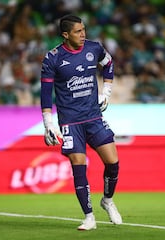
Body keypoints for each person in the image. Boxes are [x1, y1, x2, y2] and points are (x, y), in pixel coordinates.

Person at [40, 14, 122, 231]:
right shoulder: (53, 58)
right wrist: (48, 122)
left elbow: (109, 64)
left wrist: (106, 91)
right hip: (70, 122)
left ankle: (107, 200)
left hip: (94, 117)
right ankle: (89, 217)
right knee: (79, 165)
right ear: (65, 35)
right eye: (78, 31)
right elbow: (46, 93)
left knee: (112, 162)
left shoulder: (94, 48)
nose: (83, 34)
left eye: (84, 29)